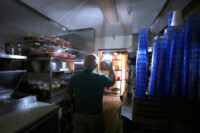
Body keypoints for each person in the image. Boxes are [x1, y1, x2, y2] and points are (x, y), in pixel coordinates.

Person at [66, 54, 115, 133]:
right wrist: (110, 67)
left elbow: (67, 96)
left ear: (84, 64)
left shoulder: (74, 78)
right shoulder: (101, 77)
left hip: (79, 115)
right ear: (96, 66)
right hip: (95, 116)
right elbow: (112, 81)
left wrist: (74, 101)